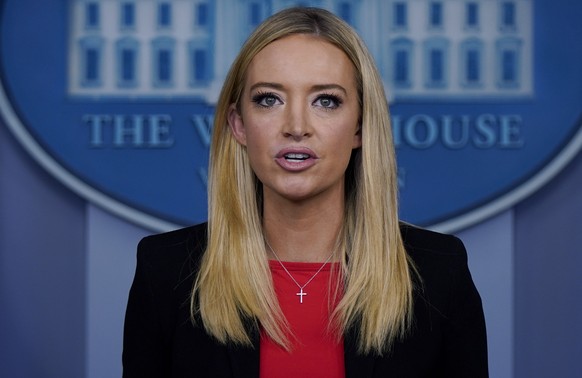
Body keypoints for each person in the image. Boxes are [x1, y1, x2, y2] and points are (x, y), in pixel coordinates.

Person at [123, 6, 488, 378]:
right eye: (269, 99)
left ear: (360, 126)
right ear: (239, 125)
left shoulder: (440, 272)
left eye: (325, 101)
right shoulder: (165, 272)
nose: (296, 126)